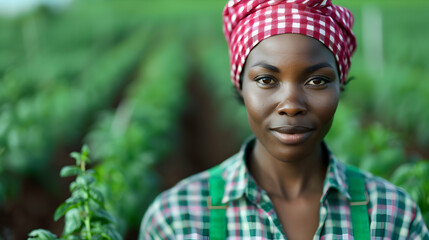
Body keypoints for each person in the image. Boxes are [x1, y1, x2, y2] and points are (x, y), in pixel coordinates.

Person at [139, 0, 429, 239]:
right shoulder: (176, 221)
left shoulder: (392, 217)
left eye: (317, 81)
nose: (291, 105)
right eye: (266, 79)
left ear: (340, 86)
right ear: (240, 85)